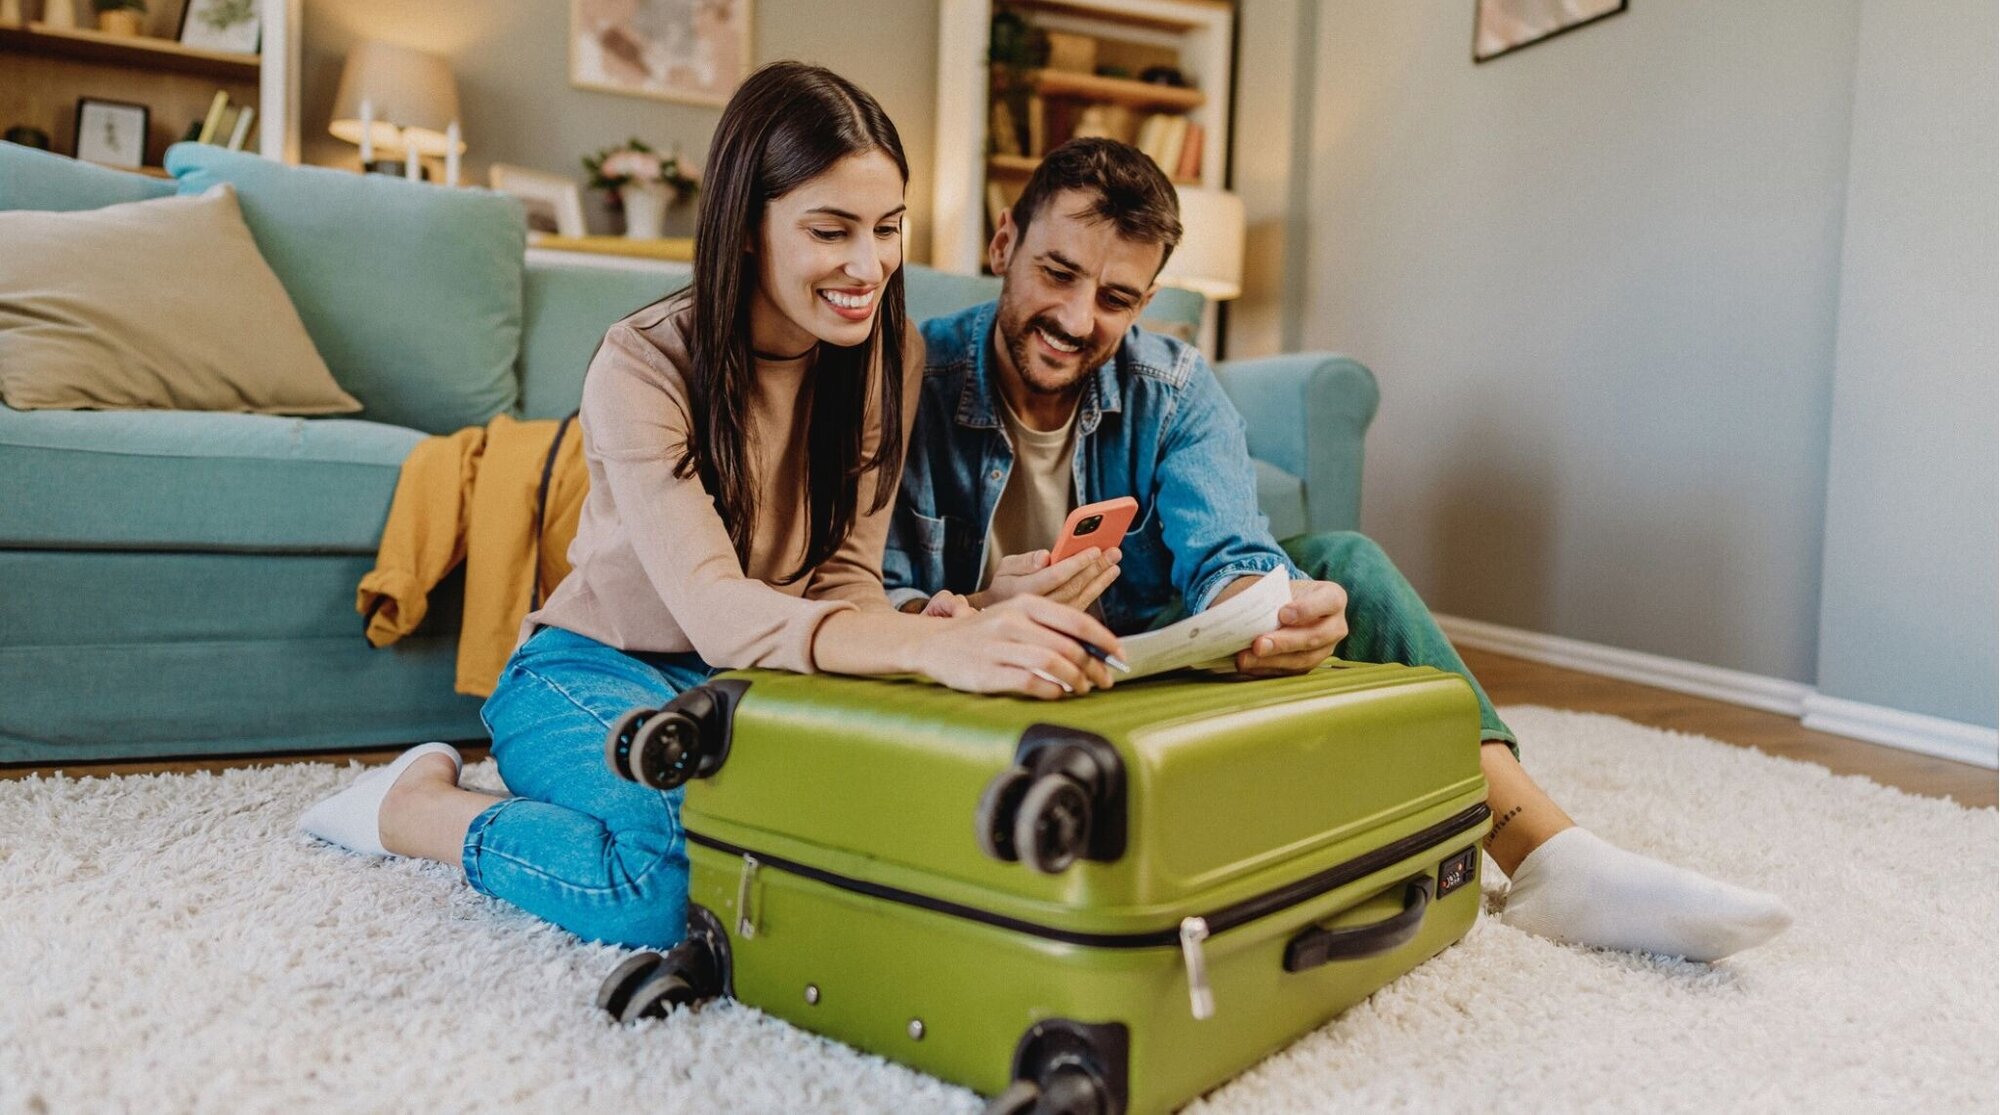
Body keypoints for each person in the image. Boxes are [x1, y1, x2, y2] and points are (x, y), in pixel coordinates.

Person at [883, 138, 1792, 963]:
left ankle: (1552, 858)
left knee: (1344, 564)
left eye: (1116, 298)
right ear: (1004, 243)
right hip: (982, 675)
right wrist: (977, 609)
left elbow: (1228, 551)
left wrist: (1268, 611)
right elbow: (866, 591)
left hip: (1135, 660)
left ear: (1147, 301)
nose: (1079, 318)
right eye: (1058, 274)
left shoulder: (1172, 385)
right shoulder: (907, 376)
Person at [299, 63, 1123, 949]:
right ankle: (418, 807)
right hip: (590, 670)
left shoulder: (890, 358)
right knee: (667, 881)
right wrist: (929, 648)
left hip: (745, 683)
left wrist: (946, 618)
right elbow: (718, 609)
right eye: (830, 230)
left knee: (874, 829)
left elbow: (844, 578)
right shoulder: (642, 364)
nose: (868, 265)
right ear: (746, 229)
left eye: (887, 228)